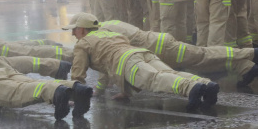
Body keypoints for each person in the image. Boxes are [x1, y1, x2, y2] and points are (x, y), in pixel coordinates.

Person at [66, 13, 218, 112]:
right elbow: (106, 68)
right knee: (170, 73)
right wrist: (121, 90)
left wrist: (76, 97)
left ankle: (190, 88)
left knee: (154, 80)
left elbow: (77, 74)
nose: (72, 33)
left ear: (83, 29)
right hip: (141, 53)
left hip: (127, 63)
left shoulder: (83, 43)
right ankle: (206, 84)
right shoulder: (107, 34)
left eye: (74, 29)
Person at [99, 20, 258, 87]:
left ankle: (250, 53)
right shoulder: (108, 23)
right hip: (161, 44)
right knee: (202, 63)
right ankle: (246, 67)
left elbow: (109, 60)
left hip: (162, 51)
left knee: (202, 56)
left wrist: (99, 88)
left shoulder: (102, 35)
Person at [0, 57, 92, 120]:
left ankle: (56, 93)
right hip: (4, 69)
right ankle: (76, 88)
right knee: (30, 83)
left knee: (16, 92)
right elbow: (20, 60)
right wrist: (55, 65)